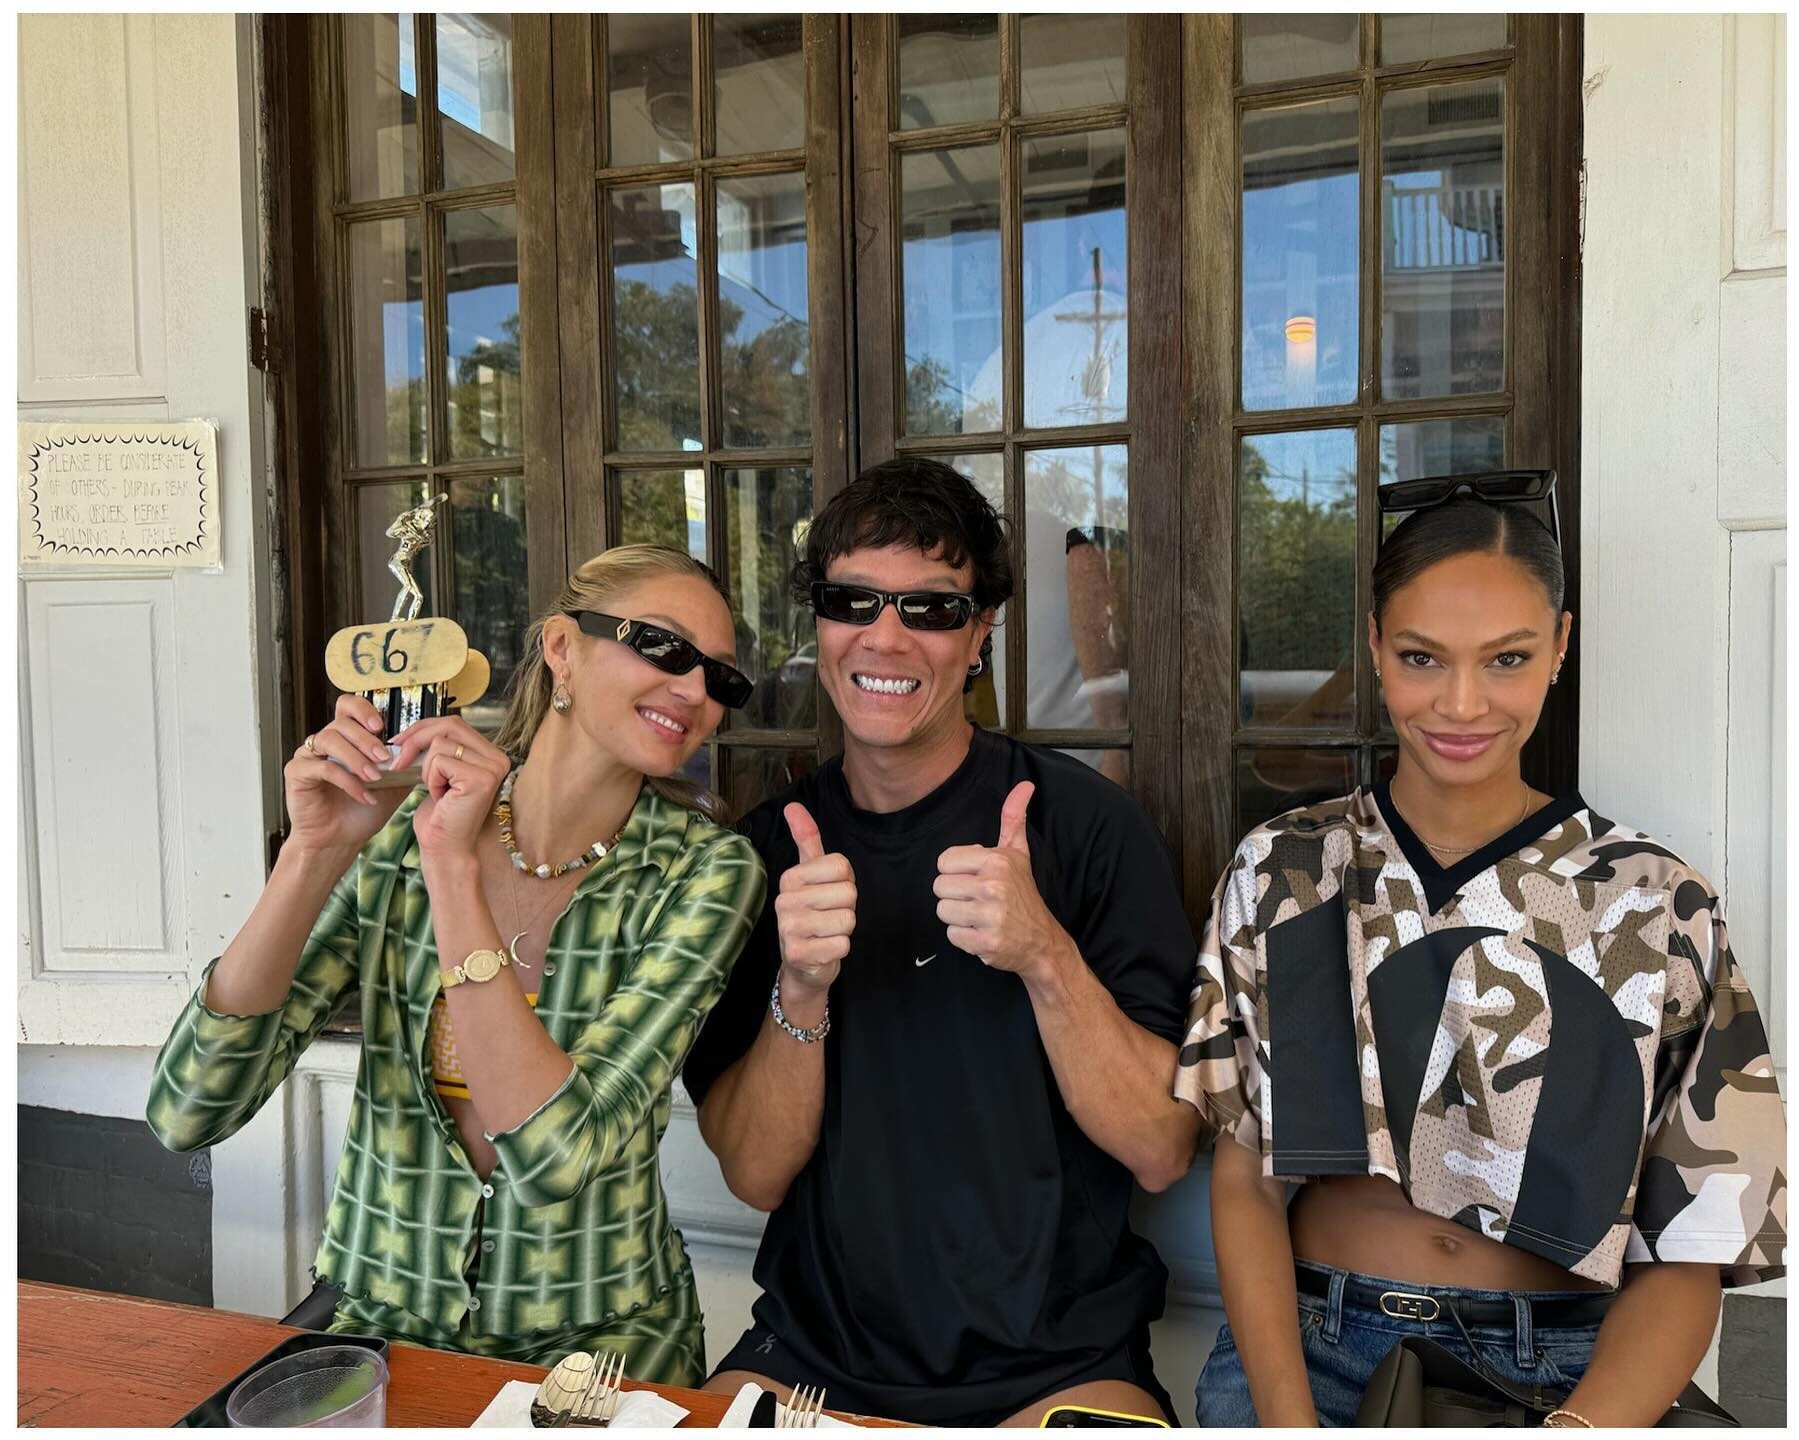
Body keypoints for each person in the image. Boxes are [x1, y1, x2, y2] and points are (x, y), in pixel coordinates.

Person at [1178, 488, 1787, 1427]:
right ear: (1374, 644)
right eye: (1421, 657)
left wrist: (1580, 1426)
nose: (1461, 703)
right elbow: (1246, 1177)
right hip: (1309, 1350)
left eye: (1506, 658)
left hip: (1571, 1372)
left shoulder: (1656, 900)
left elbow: (1691, 1243)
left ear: (1559, 645)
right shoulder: (1287, 870)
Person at [147, 545, 767, 1380]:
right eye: (662, 646)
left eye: (720, 678)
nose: (694, 689)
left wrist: (452, 868)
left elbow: (555, 1156)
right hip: (381, 1322)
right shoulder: (397, 837)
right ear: (561, 648)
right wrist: (312, 853)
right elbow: (189, 1112)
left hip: (601, 1348)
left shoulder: (704, 874)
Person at [682, 457, 1201, 1427]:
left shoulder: (1086, 828)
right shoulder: (764, 855)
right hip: (808, 1361)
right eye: (852, 601)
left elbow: (1161, 1148)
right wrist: (800, 988)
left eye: (929, 608)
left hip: (1058, 1364)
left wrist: (1044, 956)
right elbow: (753, 1175)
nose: (884, 636)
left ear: (979, 635)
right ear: (820, 623)